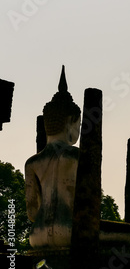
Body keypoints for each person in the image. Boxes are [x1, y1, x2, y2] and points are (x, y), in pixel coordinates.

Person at [25, 66, 81, 248]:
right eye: (78, 124)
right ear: (72, 121)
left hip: (37, 235)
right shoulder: (76, 155)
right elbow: (87, 207)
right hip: (74, 231)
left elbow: (32, 213)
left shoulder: (32, 163)